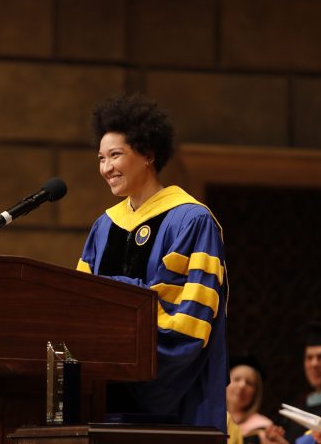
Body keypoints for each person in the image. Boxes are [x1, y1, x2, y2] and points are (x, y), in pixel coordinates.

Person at [76, 94, 229, 431]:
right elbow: (79, 304)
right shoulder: (104, 227)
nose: (106, 168)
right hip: (104, 393)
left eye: (115, 155)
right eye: (101, 158)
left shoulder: (191, 220)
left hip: (174, 398)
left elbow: (192, 323)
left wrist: (126, 363)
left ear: (147, 154)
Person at [227, 356, 273, 443]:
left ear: (256, 393)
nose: (242, 385)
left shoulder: (264, 426)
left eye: (249, 383)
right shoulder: (209, 418)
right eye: (237, 379)